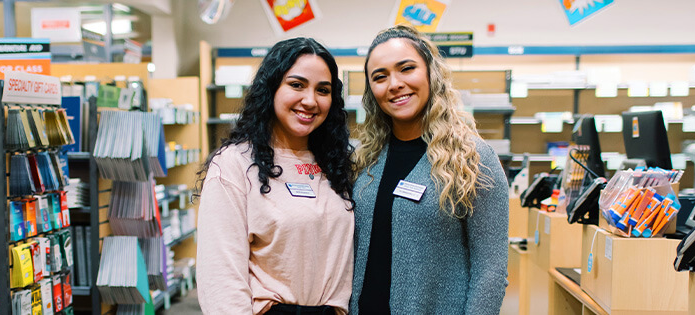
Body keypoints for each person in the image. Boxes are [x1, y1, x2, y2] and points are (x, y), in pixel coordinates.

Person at [349, 25, 509, 315]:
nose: (394, 84)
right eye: (380, 77)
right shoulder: (366, 160)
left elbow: (491, 271)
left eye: (406, 68)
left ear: (430, 73)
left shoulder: (473, 158)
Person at [196, 37, 356, 315]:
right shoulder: (235, 164)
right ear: (271, 89)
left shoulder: (335, 162)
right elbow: (220, 280)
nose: (310, 100)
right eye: (296, 85)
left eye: (323, 90)